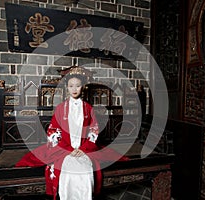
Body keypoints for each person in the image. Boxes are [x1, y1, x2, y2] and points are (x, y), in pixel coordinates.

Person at [15, 66, 128, 200]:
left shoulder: (88, 108)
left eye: (77, 86)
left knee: (85, 173)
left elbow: (94, 130)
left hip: (84, 148)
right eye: (71, 86)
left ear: (82, 87)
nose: (74, 89)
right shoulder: (60, 108)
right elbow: (53, 131)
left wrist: (84, 148)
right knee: (67, 173)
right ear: (67, 88)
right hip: (64, 149)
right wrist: (68, 149)